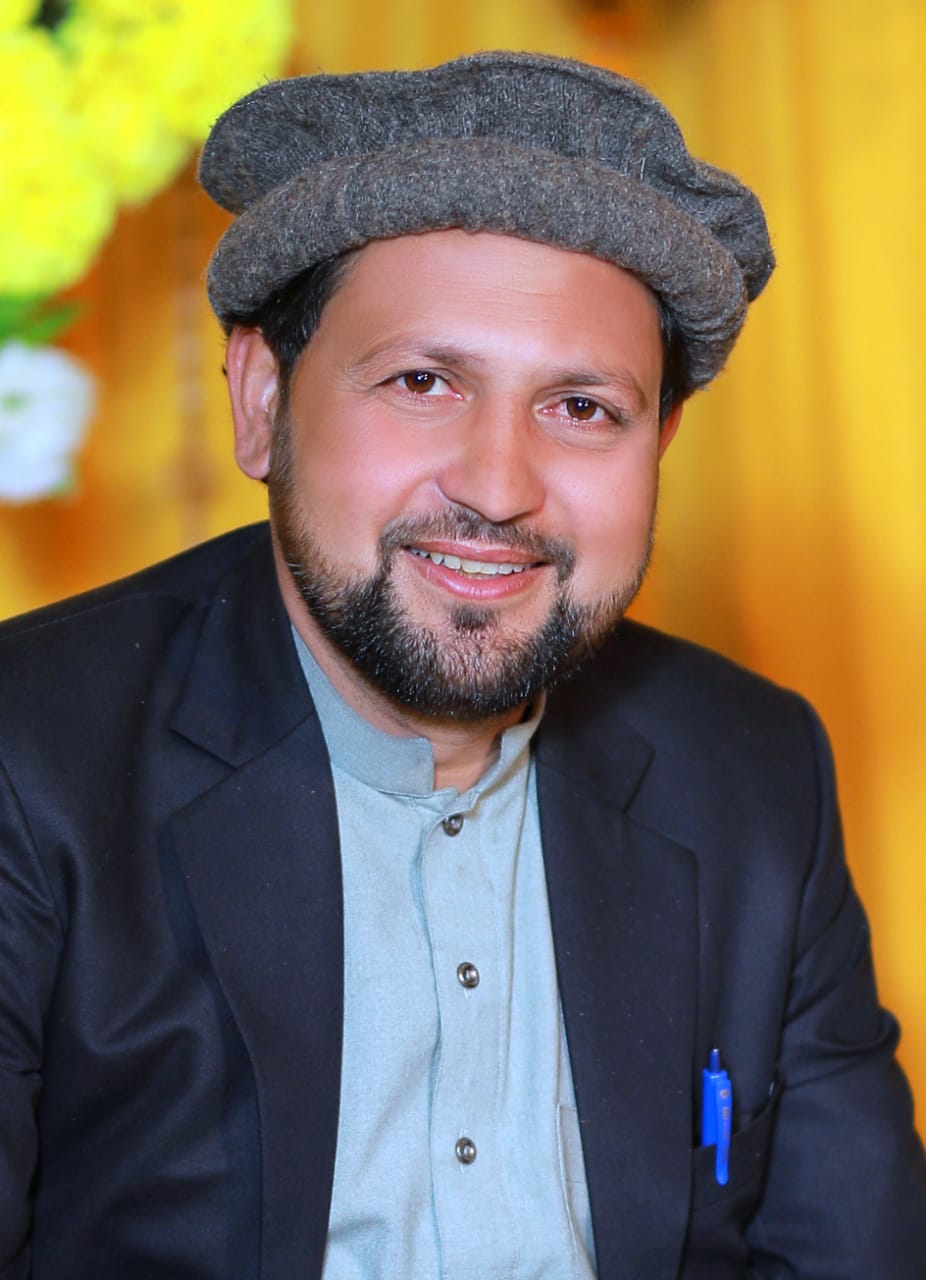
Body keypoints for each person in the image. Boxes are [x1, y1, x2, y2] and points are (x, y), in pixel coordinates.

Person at [0, 50, 924, 1280]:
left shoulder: (750, 768)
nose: (497, 485)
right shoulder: (31, 757)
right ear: (262, 398)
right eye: (423, 381)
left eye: (581, 407)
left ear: (660, 441)